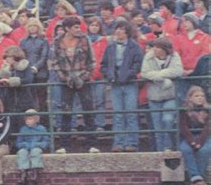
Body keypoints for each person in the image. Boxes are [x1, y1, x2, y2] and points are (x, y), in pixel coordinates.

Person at [49, 16, 99, 154]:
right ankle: (64, 145)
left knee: (88, 111)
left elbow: (92, 61)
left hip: (84, 79)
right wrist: (64, 77)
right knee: (66, 112)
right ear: (67, 29)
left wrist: (85, 76)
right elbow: (54, 62)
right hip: (66, 81)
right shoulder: (57, 41)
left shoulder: (84, 39)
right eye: (75, 27)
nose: (78, 29)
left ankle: (92, 145)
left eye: (78, 26)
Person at [101, 21, 144, 152]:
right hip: (115, 83)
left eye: (121, 29)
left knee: (130, 113)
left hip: (130, 82)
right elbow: (103, 65)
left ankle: (132, 143)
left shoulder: (135, 47)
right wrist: (110, 74)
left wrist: (127, 74)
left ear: (127, 32)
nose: (118, 32)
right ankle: (118, 143)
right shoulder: (110, 47)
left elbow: (138, 64)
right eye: (117, 29)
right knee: (118, 114)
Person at [141, 38, 183, 152]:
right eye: (154, 47)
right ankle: (160, 152)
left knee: (168, 120)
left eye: (158, 47)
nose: (155, 49)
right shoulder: (148, 57)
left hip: (170, 95)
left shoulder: (174, 56)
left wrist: (159, 75)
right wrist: (164, 78)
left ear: (164, 49)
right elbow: (144, 73)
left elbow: (178, 71)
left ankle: (168, 147)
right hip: (154, 96)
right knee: (157, 127)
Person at [179, 86, 210, 185]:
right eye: (197, 96)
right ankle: (197, 178)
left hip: (204, 137)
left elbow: (207, 128)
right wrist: (192, 142)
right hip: (190, 137)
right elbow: (183, 127)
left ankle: (197, 180)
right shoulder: (184, 110)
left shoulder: (208, 109)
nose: (200, 98)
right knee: (185, 149)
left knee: (204, 150)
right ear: (190, 98)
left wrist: (199, 143)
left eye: (202, 96)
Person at [16, 109, 49, 184]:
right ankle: (23, 172)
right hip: (26, 147)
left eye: (30, 119)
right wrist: (24, 145)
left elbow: (46, 141)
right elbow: (18, 142)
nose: (28, 121)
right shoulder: (23, 129)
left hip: (36, 147)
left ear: (36, 119)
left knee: (36, 152)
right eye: (27, 119)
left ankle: (35, 172)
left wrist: (37, 144)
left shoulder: (41, 129)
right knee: (21, 153)